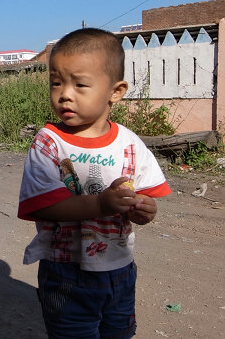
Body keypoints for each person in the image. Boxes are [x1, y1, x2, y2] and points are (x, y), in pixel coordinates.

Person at [17, 27, 171, 338]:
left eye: (80, 84)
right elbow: (46, 205)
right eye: (56, 83)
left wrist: (143, 211)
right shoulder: (49, 144)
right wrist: (101, 203)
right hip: (66, 272)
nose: (65, 94)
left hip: (119, 269)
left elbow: (145, 199)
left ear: (116, 91)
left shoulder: (129, 143)